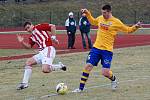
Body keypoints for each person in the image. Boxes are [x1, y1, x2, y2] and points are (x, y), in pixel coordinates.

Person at [72, 4, 142, 92]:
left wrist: (135, 27)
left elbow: (128, 30)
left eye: (105, 13)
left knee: (105, 72)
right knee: (88, 66)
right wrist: (87, 13)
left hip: (107, 51)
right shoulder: (100, 18)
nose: (103, 14)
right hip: (96, 48)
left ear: (109, 12)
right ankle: (80, 89)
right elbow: (93, 22)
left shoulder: (116, 22)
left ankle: (114, 80)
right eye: (102, 12)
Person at [16, 21, 67, 90]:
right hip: (41, 53)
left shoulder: (39, 27)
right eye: (26, 29)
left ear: (32, 25)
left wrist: (53, 37)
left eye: (28, 27)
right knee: (28, 62)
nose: (28, 30)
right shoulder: (31, 37)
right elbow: (29, 46)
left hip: (48, 49)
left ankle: (59, 66)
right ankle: (24, 84)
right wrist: (21, 42)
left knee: (45, 70)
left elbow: (53, 26)